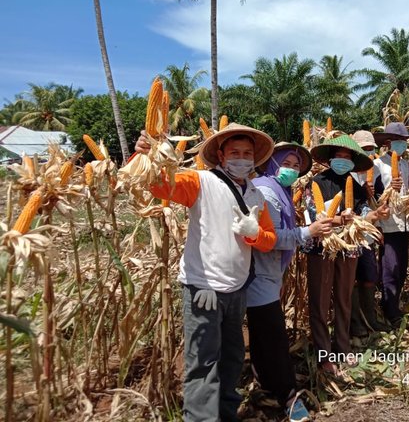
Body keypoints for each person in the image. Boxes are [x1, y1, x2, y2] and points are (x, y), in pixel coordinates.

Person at [134, 123, 277, 422]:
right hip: (204, 290)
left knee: (232, 358)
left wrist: (253, 234)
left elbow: (269, 240)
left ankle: (225, 414)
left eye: (247, 153)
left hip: (236, 290)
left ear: (254, 158)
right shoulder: (200, 181)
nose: (242, 158)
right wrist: (144, 158)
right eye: (235, 152)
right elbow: (157, 184)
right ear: (222, 157)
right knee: (202, 363)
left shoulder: (255, 195)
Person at [248, 142, 332, 421]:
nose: (292, 169)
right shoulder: (266, 191)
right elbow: (272, 240)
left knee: (263, 335)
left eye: (296, 166)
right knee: (274, 337)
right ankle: (288, 396)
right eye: (287, 163)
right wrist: (309, 231)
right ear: (272, 163)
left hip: (267, 275)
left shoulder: (277, 189)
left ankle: (265, 386)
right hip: (258, 275)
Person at [307, 135, 389, 373]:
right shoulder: (317, 181)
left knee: (344, 300)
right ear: (330, 158)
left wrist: (377, 215)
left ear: (353, 162)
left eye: (347, 157)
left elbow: (364, 215)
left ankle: (343, 348)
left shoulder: (357, 185)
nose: (342, 160)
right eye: (338, 156)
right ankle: (324, 354)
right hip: (322, 247)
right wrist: (337, 219)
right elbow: (313, 215)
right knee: (320, 302)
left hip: (350, 246)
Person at [373, 122, 409, 326]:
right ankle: (389, 308)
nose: (401, 145)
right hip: (388, 223)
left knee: (401, 267)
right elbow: (372, 195)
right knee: (390, 267)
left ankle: (395, 303)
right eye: (397, 141)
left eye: (404, 141)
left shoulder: (406, 164)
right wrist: (388, 189)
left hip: (405, 222)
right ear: (388, 143)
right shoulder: (377, 165)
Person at [349, 130, 388, 335]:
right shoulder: (348, 173)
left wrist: (376, 196)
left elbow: (380, 202)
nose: (368, 153)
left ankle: (370, 318)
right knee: (353, 278)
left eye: (371, 149)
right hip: (349, 234)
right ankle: (356, 323)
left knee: (369, 275)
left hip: (368, 232)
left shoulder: (376, 171)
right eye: (363, 149)